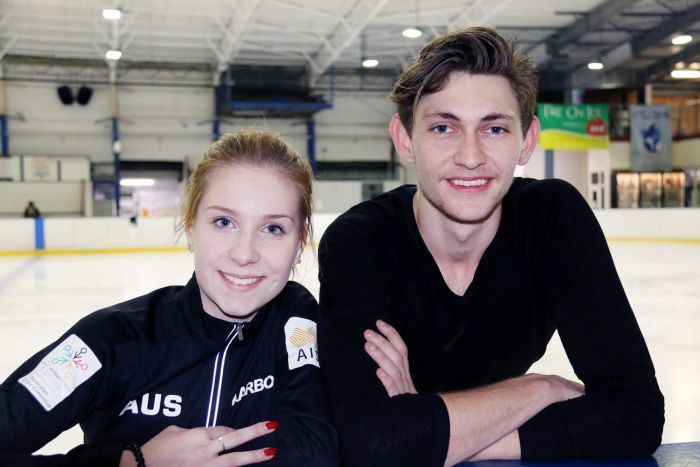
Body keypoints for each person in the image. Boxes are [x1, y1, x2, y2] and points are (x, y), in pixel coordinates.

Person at [318, 27, 664, 467]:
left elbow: (636, 415)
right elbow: (368, 443)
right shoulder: (360, 243)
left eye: (495, 128)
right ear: (405, 139)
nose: (471, 156)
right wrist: (536, 389)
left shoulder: (551, 220)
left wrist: (424, 432)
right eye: (443, 127)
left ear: (527, 140)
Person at [1, 129, 339, 466]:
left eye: (273, 228)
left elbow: (317, 449)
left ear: (299, 244)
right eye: (224, 222)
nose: (244, 253)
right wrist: (132, 462)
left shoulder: (295, 319)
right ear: (191, 228)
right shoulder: (109, 340)